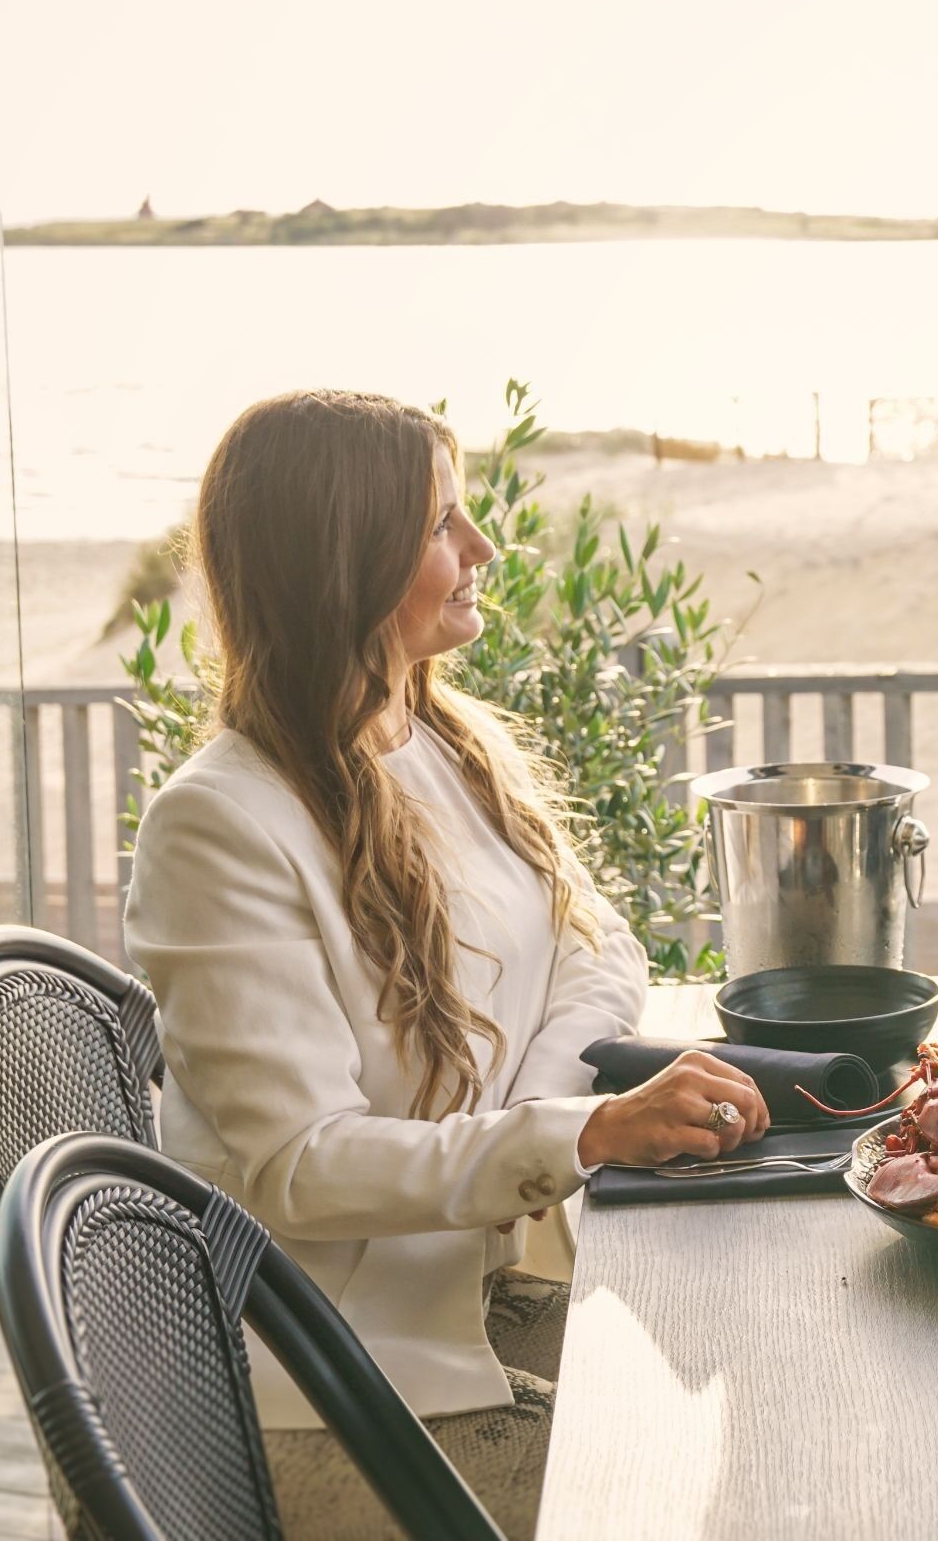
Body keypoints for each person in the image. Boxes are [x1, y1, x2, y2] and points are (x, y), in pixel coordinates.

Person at [125, 390, 771, 1540]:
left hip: (469, 1289)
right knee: (704, 1502)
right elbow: (296, 1167)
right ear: (342, 561)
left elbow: (592, 940)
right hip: (328, 1385)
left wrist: (556, 1112)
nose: (482, 550)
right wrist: (576, 1135)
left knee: (772, 1384)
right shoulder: (218, 825)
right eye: (441, 526)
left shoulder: (439, 738)